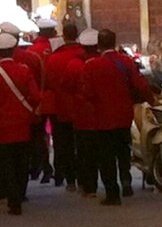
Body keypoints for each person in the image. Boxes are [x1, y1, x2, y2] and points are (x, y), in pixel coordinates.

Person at [82, 29, 155, 205]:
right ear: (114, 43)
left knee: (106, 157)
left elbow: (87, 93)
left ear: (99, 44)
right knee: (123, 151)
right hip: (123, 116)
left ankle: (112, 193)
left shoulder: (92, 66)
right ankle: (126, 180)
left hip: (102, 119)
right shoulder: (126, 62)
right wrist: (153, 100)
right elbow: (139, 84)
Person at [0, 33, 41, 216]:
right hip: (22, 123)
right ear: (14, 50)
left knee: (5, 163)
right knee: (21, 161)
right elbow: (36, 96)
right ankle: (21, 194)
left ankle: (13, 199)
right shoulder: (24, 70)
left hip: (0, 125)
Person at [46, 22, 85, 189]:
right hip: (84, 109)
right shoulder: (85, 54)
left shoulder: (54, 58)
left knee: (64, 144)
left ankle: (69, 179)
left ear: (63, 35)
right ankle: (84, 179)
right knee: (84, 144)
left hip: (61, 107)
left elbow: (48, 82)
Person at [61, 28, 100, 197]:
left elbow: (66, 86)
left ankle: (87, 185)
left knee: (84, 151)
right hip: (101, 114)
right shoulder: (102, 62)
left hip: (82, 115)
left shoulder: (74, 64)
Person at [27, 18, 59, 183]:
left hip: (37, 99)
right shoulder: (57, 49)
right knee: (61, 137)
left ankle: (43, 168)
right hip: (56, 98)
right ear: (53, 32)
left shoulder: (32, 51)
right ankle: (60, 172)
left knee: (38, 137)